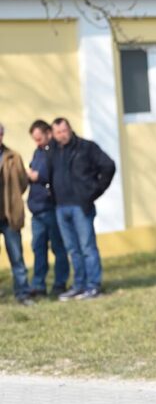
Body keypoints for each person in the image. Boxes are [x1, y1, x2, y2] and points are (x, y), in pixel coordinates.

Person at [49, 118, 115, 301]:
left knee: (87, 247)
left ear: (70, 129)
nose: (62, 134)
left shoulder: (86, 147)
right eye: (58, 132)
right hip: (61, 207)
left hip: (81, 206)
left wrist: (95, 191)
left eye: (64, 130)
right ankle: (79, 285)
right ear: (53, 134)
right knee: (73, 249)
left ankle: (93, 286)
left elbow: (108, 166)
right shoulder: (53, 151)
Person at [26, 120, 69, 297]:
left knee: (58, 248)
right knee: (38, 248)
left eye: (39, 138)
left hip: (51, 208)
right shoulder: (38, 152)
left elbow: (43, 175)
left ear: (48, 133)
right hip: (37, 211)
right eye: (34, 139)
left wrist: (34, 175)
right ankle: (38, 285)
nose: (37, 142)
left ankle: (60, 283)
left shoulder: (54, 152)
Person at [0, 122, 34, 306]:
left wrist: (12, 199)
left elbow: (22, 182)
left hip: (8, 215)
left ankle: (23, 293)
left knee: (16, 257)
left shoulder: (13, 157)